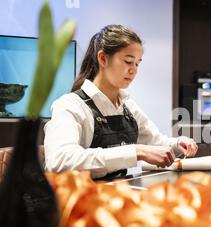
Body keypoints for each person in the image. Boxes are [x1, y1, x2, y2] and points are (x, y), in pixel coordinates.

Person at [44, 24, 197, 178]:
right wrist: (136, 151)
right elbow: (59, 161)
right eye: (128, 61)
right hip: (81, 198)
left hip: (118, 194)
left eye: (137, 63)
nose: (134, 70)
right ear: (103, 58)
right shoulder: (70, 105)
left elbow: (154, 142)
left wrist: (178, 144)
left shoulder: (127, 105)